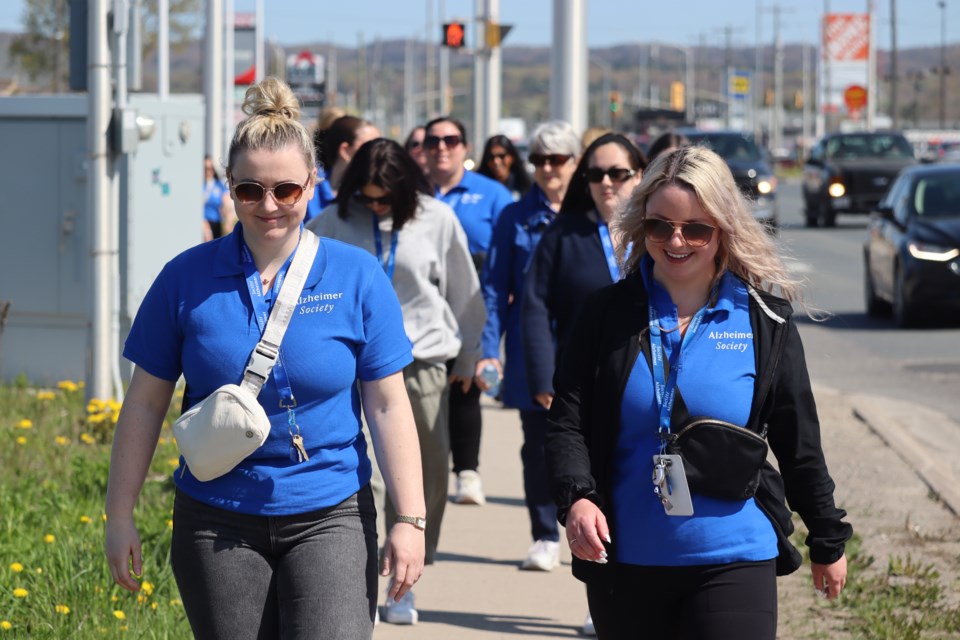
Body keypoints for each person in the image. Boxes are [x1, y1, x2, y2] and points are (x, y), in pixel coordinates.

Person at [104, 77, 426, 639]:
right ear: (229, 187)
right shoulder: (186, 277)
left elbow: (389, 405)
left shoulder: (356, 277)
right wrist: (119, 514)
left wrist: (411, 518)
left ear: (313, 185)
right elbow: (144, 402)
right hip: (216, 518)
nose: (269, 205)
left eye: (286, 190)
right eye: (250, 190)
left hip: (331, 512)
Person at [544, 146, 852, 639]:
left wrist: (827, 536)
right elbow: (567, 421)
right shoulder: (606, 314)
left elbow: (799, 440)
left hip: (735, 558)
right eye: (659, 226)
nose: (676, 240)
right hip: (627, 562)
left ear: (724, 229)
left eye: (696, 228)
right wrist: (576, 499)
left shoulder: (763, 319)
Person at [308, 138, 485, 625]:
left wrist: (471, 357)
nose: (375, 206)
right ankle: (367, 572)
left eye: (385, 198)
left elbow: (465, 294)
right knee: (373, 476)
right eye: (366, 197)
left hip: (423, 358)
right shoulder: (331, 223)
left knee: (427, 470)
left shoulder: (437, 219)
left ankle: (410, 566)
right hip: (352, 361)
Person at [521, 132, 645, 635]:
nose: (607, 183)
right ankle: (604, 600)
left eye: (619, 173)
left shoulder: (661, 233)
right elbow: (534, 306)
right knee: (592, 493)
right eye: (596, 174)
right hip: (582, 388)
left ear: (640, 175)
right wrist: (542, 373)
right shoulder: (565, 233)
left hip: (644, 390)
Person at [474, 121, 580, 572]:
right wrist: (488, 349)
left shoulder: (594, 215)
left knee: (592, 444)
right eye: (538, 160)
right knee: (537, 444)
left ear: (576, 163)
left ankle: (590, 535)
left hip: (583, 344)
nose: (547, 169)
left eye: (557, 159)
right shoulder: (514, 217)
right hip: (529, 348)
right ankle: (543, 533)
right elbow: (494, 289)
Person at [423, 115, 514, 506]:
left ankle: (468, 472)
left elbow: (507, 252)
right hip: (423, 303)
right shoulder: (411, 191)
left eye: (451, 139)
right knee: (424, 390)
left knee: (466, 387)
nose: (442, 147)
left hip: (473, 300)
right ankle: (431, 470)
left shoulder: (492, 194)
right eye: (433, 140)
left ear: (464, 146)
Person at [306, 115, 380, 220]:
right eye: (370, 147)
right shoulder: (309, 189)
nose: (380, 152)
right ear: (345, 150)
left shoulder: (374, 194)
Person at [476, 133, 532, 200]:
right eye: (491, 157)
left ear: (512, 157)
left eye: (501, 156)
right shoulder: (479, 187)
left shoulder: (525, 186)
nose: (496, 161)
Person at [202, 155, 234, 240]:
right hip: (203, 225)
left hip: (217, 224)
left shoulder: (218, 185)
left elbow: (226, 201)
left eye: (210, 168)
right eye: (206, 168)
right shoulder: (200, 185)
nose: (208, 172)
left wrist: (228, 219)